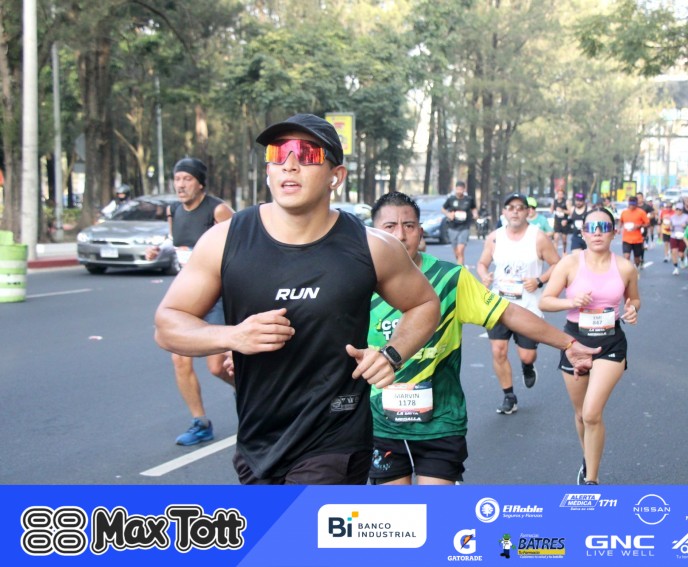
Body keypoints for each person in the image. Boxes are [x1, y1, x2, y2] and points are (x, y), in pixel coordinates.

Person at [153, 113, 441, 484]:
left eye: (306, 154)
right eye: (278, 153)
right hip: (259, 440)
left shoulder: (372, 246)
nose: (289, 164)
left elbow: (424, 304)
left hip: (336, 438)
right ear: (268, 170)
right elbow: (167, 324)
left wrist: (391, 354)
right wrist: (232, 336)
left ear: (336, 176)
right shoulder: (225, 240)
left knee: (303, 519)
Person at [366, 192, 599, 485]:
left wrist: (568, 343)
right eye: (389, 227)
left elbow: (508, 312)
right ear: (373, 233)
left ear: (420, 231)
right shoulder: (361, 281)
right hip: (380, 422)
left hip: (440, 421)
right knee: (395, 514)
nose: (400, 235)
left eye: (409, 226)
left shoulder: (449, 278)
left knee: (437, 509)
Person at [540, 206, 640, 485]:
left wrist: (632, 309)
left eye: (604, 227)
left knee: (592, 413)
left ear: (614, 232)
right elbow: (545, 301)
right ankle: (589, 458)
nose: (597, 233)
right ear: (583, 233)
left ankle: (591, 481)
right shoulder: (570, 264)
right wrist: (571, 301)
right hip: (574, 342)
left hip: (610, 343)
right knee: (581, 413)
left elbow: (634, 299)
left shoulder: (625, 267)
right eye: (591, 228)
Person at [145, 157, 235, 445]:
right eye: (177, 179)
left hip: (218, 295)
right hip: (187, 296)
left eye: (187, 179)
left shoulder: (218, 210)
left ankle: (255, 395)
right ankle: (201, 423)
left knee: (217, 366)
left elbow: (244, 244)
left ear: (200, 183)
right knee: (179, 357)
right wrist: (158, 249)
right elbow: (178, 244)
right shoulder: (173, 210)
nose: (181, 185)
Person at [477, 193, 562, 415]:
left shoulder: (538, 237)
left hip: (528, 306)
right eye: (510, 207)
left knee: (527, 355)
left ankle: (527, 365)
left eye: (520, 207)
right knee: (498, 351)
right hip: (499, 304)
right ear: (504, 212)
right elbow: (482, 263)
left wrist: (539, 280)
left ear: (527, 212)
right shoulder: (494, 237)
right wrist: (484, 276)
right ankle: (509, 396)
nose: (515, 211)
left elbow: (557, 264)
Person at [442, 180, 478, 266]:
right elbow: (443, 209)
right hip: (452, 227)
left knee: (460, 250)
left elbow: (474, 208)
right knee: (456, 252)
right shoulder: (451, 199)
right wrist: (448, 214)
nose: (459, 191)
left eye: (461, 189)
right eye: (457, 189)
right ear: (455, 189)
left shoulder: (469, 199)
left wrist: (475, 214)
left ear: (464, 190)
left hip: (464, 227)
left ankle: (460, 270)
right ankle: (461, 265)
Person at [619, 196, 650, 269]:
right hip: (626, 239)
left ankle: (637, 266)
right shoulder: (624, 212)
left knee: (637, 259)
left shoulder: (641, 212)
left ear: (636, 204)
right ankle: (628, 271)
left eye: (633, 204)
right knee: (626, 256)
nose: (631, 206)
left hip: (637, 239)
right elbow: (621, 222)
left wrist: (639, 226)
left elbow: (647, 223)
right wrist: (619, 228)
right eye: (630, 204)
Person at [669, 202, 688, 273]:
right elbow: (670, 225)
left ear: (682, 210)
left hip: (683, 236)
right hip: (674, 235)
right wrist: (671, 227)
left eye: (680, 209)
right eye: (677, 209)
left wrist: (686, 226)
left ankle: (682, 259)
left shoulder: (686, 217)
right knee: (674, 251)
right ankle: (676, 268)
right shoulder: (672, 217)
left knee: (681, 254)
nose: (678, 211)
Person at [551, 187, 571, 254]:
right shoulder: (554, 201)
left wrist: (562, 210)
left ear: (563, 195)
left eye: (561, 194)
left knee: (564, 239)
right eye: (559, 194)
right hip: (557, 221)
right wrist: (552, 206)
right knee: (556, 238)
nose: (560, 195)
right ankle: (555, 253)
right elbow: (551, 211)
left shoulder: (566, 202)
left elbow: (570, 212)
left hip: (564, 222)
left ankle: (564, 251)